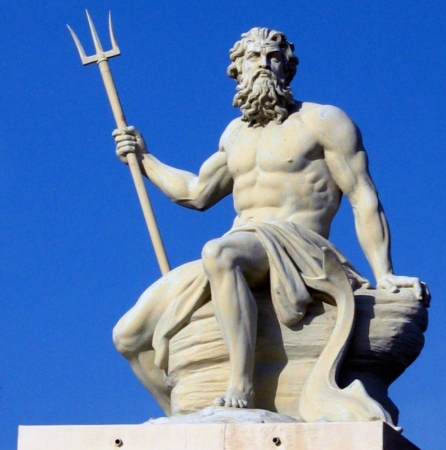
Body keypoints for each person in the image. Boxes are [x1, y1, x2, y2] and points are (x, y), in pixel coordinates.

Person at [112, 27, 422, 413]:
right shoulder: (234, 135)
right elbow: (195, 193)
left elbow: (363, 197)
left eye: (272, 57)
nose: (263, 64)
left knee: (220, 253)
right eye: (253, 58)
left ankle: (241, 385)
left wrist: (384, 273)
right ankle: (179, 416)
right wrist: (144, 159)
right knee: (128, 336)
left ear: (287, 69)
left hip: (300, 244)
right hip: (243, 243)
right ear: (237, 71)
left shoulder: (323, 121)